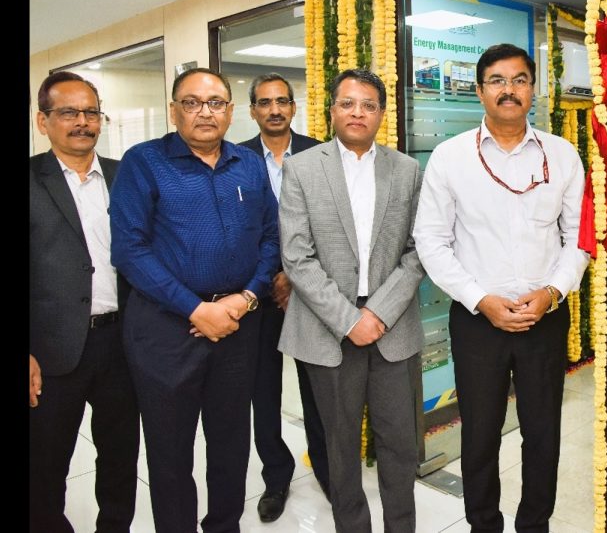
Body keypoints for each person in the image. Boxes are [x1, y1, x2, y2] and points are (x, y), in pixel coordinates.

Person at [413, 43, 590, 532]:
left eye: (518, 80)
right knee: (480, 437)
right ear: (479, 90)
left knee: (542, 435)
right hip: (477, 322)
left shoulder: (563, 154)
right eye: (496, 80)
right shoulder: (450, 158)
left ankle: (535, 525)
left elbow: (580, 237)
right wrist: (480, 300)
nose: (508, 90)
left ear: (533, 88)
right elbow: (431, 241)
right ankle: (483, 525)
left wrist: (553, 291)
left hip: (544, 319)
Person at [110, 66, 279, 532]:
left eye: (215, 103)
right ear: (174, 110)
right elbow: (129, 249)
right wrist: (195, 308)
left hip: (238, 325)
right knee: (170, 453)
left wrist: (246, 298)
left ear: (229, 111)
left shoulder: (248, 164)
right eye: (192, 102)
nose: (205, 112)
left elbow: (271, 237)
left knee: (231, 446)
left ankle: (225, 525)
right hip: (167, 331)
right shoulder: (143, 162)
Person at [278, 69, 425, 531]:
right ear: (332, 110)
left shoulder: (406, 169)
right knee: (340, 448)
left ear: (382, 113)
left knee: (400, 445)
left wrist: (377, 313)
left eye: (368, 104)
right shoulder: (302, 168)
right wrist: (348, 320)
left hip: (392, 324)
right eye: (347, 103)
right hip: (327, 328)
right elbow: (296, 256)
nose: (357, 112)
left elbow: (419, 249)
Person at [30, 72, 139, 533]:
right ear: (43, 121)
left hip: (123, 344)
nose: (82, 122)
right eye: (68, 112)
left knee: (119, 458)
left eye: (91, 112)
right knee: (44, 465)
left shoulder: (125, 176)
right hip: (52, 351)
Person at [237, 73, 329, 521]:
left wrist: (295, 277)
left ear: (294, 107)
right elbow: (236, 232)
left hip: (311, 296)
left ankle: (329, 471)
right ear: (252, 110)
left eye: (282, 101)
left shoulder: (321, 154)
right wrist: (268, 279)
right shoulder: (235, 159)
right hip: (258, 296)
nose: (274, 109)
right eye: (264, 102)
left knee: (319, 390)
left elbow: (333, 227)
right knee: (263, 391)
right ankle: (277, 477)